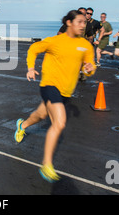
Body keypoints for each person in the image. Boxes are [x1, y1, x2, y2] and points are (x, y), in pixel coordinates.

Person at [15, 10, 96, 183]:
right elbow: (33, 48)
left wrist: (89, 70)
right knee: (59, 122)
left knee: (40, 115)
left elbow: (90, 66)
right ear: (69, 22)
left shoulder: (86, 46)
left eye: (84, 22)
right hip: (49, 85)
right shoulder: (55, 41)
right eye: (80, 22)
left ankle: (22, 125)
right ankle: (46, 165)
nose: (83, 25)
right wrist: (30, 68)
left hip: (66, 91)